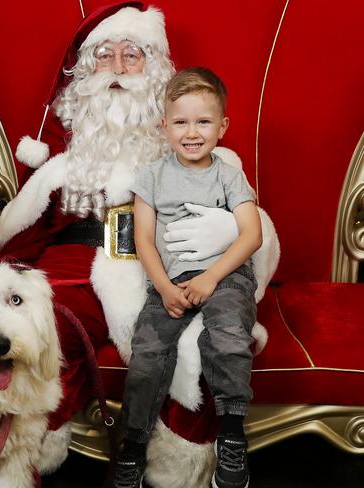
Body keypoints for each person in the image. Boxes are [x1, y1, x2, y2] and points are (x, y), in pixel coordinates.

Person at [0, 2, 279, 487]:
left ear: (157, 71)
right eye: (106, 56)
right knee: (40, 332)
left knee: (202, 342)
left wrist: (229, 230)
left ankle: (179, 469)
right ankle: (27, 459)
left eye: (134, 55)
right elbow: (19, 237)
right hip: (74, 265)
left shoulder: (197, 148)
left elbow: (258, 232)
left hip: (166, 264)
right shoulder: (65, 165)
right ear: (85, 72)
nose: (120, 69)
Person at [113, 67, 260, 488]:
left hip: (225, 275)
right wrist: (163, 287)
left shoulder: (228, 175)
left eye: (203, 121)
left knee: (229, 336)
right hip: (170, 279)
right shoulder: (153, 177)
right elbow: (143, 240)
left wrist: (211, 278)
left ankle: (231, 435)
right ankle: (134, 446)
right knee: (147, 353)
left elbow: (252, 235)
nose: (191, 132)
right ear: (164, 126)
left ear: (222, 126)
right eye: (180, 121)